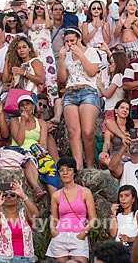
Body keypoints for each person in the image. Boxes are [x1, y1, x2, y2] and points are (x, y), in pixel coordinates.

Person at [57, 27, 100, 169]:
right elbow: (62, 78)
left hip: (88, 91)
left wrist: (80, 54)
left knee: (88, 131)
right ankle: (79, 167)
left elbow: (92, 72)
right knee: (73, 132)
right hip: (70, 92)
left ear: (79, 39)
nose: (69, 44)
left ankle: (90, 164)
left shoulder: (91, 51)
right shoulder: (67, 55)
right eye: (67, 41)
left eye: (72, 41)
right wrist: (62, 58)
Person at [46, 156, 98, 263]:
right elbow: (54, 218)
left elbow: (93, 219)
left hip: (79, 235)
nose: (65, 173)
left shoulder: (85, 192)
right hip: (60, 235)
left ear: (74, 172)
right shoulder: (56, 195)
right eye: (61, 170)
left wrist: (83, 233)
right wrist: (53, 231)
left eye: (69, 169)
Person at [10, 94, 56, 198]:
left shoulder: (41, 122)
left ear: (33, 106)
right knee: (29, 160)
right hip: (20, 150)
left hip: (36, 150)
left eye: (27, 104)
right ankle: (36, 189)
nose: (25, 107)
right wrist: (23, 121)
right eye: (22, 105)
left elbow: (43, 142)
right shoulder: (15, 121)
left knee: (49, 164)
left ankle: (55, 200)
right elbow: (20, 142)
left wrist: (40, 151)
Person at [0, 180, 39, 263]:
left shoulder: (25, 215)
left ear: (17, 198)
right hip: (3, 259)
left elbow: (36, 214)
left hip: (26, 259)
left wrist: (23, 195)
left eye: (13, 194)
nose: (9, 197)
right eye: (5, 195)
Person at [28, 0, 58, 106]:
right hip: (34, 52)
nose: (39, 10)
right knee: (35, 76)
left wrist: (46, 8)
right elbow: (29, 24)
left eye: (41, 8)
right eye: (37, 8)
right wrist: (31, 8)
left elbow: (49, 25)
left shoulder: (48, 21)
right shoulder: (31, 21)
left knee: (50, 77)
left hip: (46, 53)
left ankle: (52, 104)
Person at [99, 100, 135, 169]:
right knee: (102, 159)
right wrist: (104, 151)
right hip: (116, 158)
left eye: (127, 109)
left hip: (131, 158)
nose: (125, 110)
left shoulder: (132, 126)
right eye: (122, 107)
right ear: (116, 110)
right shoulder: (111, 128)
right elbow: (107, 142)